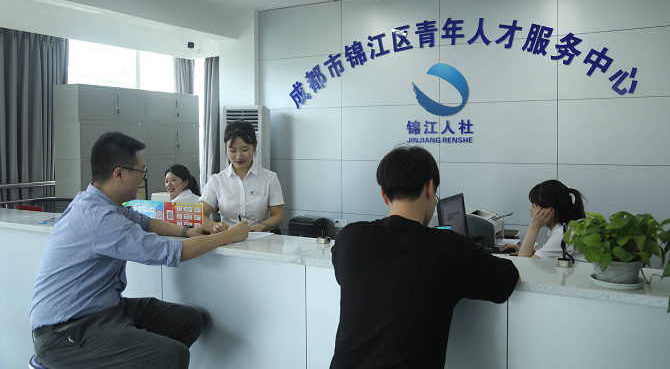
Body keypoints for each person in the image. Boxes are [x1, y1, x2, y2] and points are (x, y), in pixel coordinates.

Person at [30, 132, 250, 369]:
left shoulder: (101, 202)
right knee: (171, 355)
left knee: (189, 320)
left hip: (106, 310)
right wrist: (229, 235)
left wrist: (186, 230)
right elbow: (170, 252)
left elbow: (144, 221)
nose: (142, 178)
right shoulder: (99, 217)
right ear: (119, 174)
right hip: (65, 331)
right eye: (140, 171)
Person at [330, 146, 520, 369]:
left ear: (383, 195)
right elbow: (508, 279)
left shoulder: (349, 238)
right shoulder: (451, 248)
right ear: (429, 188)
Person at [200, 120, 284, 233]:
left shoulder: (270, 178)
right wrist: (215, 225)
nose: (239, 156)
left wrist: (258, 227)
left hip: (260, 238)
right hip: (227, 238)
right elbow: (200, 214)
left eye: (245, 150)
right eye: (233, 150)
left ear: (255, 146)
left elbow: (278, 216)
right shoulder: (216, 180)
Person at [500, 180, 587, 261]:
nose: (530, 209)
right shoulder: (566, 228)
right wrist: (528, 250)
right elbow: (550, 249)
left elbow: (523, 263)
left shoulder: (562, 235)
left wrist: (534, 226)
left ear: (550, 211)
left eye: (533, 206)